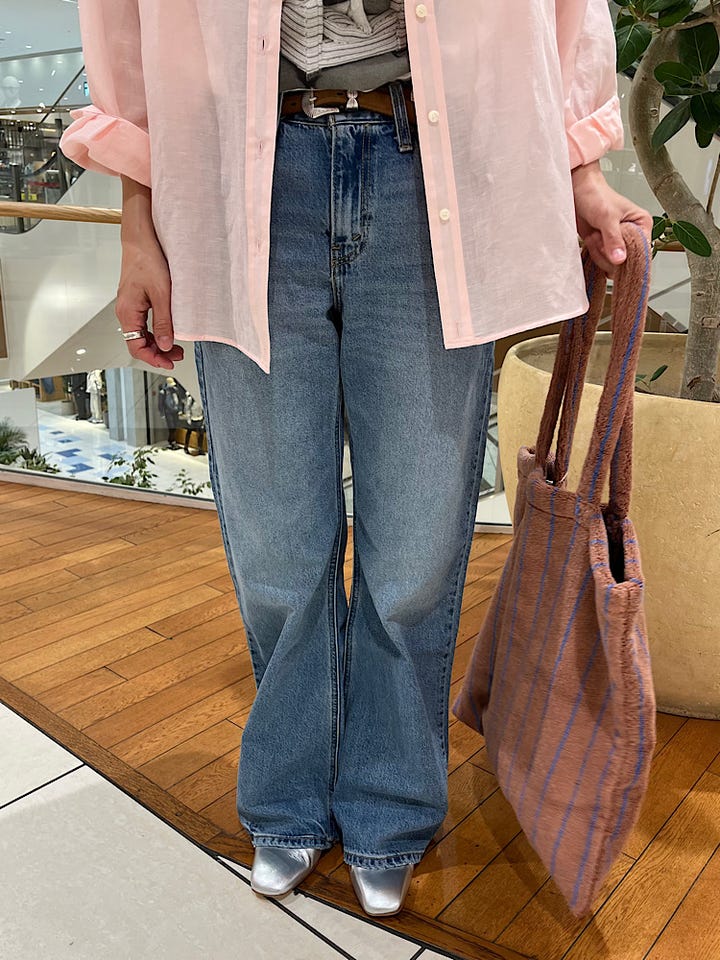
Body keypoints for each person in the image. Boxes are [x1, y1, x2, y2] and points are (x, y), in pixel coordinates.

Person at [59, 0, 653, 918]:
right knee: (276, 542)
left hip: (435, 174)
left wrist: (581, 165)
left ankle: (391, 805)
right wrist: (139, 222)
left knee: (416, 547)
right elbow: (129, 25)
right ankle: (286, 797)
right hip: (236, 181)